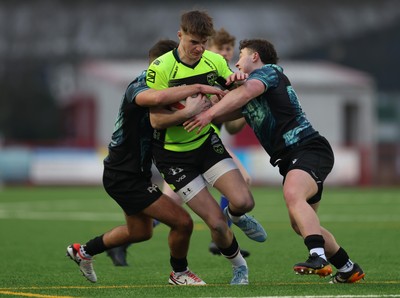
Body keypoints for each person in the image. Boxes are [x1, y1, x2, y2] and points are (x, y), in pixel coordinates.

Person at [184, 38, 366, 284]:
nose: (236, 62)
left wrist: (209, 113)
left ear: (255, 57)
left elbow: (243, 95)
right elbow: (230, 113)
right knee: (300, 224)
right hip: (291, 159)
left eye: (241, 55)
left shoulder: (269, 73)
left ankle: (318, 257)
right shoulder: (247, 89)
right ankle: (347, 267)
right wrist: (212, 94)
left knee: (293, 194)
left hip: (307, 148)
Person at [66, 39, 225, 285]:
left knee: (140, 232)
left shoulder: (170, 90)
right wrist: (195, 93)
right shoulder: (140, 86)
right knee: (182, 222)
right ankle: (179, 274)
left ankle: (83, 251)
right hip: (123, 175)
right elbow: (156, 102)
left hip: (135, 173)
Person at [146, 10, 267, 285]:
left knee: (244, 201)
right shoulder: (161, 68)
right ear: (180, 35)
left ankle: (235, 215)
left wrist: (236, 85)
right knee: (215, 224)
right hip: (173, 156)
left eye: (203, 42)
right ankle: (240, 267)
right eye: (193, 42)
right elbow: (155, 120)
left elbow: (232, 94)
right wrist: (189, 113)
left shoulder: (214, 61)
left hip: (205, 144)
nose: (199, 48)